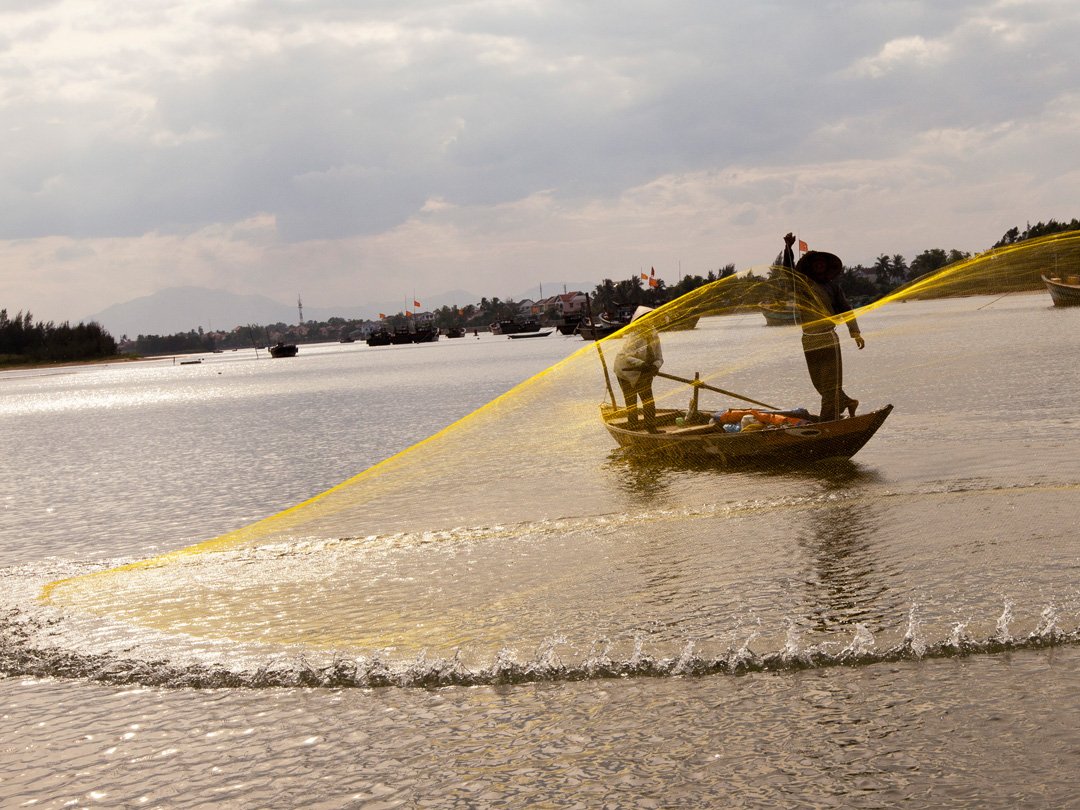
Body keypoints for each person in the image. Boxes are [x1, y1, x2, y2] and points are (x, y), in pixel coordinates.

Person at [782, 233, 865, 422]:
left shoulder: (832, 287)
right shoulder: (802, 285)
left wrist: (855, 332)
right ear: (811, 267)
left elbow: (846, 310)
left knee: (830, 385)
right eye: (815, 263)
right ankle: (847, 402)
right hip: (809, 338)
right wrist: (788, 249)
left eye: (822, 263)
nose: (819, 265)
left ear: (826, 266)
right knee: (819, 384)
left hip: (827, 337)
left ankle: (827, 421)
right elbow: (788, 272)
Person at [613, 306, 664, 432]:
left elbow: (659, 357)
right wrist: (642, 364)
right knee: (631, 403)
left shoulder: (654, 334)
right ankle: (633, 429)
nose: (649, 321)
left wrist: (654, 366)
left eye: (650, 319)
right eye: (645, 320)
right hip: (625, 372)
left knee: (648, 401)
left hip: (644, 372)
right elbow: (627, 356)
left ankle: (651, 428)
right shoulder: (634, 336)